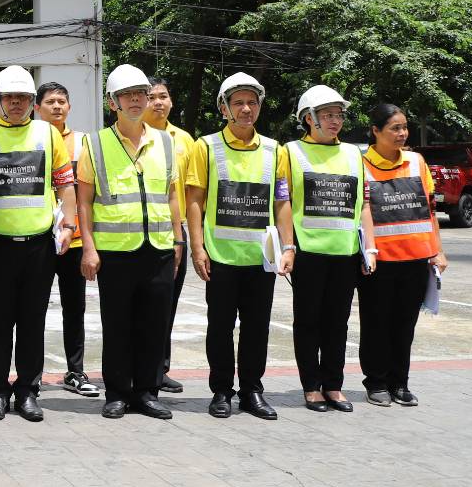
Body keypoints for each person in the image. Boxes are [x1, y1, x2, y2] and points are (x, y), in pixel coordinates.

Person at [0, 66, 77, 423]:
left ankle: (27, 391)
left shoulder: (48, 133)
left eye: (23, 98)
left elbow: (65, 184)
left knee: (32, 323)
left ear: (32, 102)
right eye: (9, 97)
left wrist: (70, 225)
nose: (16, 103)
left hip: (38, 248)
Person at [183, 73, 293, 420]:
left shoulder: (275, 150)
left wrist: (288, 247)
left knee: (257, 327)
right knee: (219, 326)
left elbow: (281, 202)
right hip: (221, 256)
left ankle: (251, 391)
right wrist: (197, 248)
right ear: (224, 108)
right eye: (238, 103)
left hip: (261, 257)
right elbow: (195, 200)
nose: (246, 109)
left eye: (252, 102)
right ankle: (221, 391)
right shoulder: (206, 147)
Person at [77, 65, 183, 420]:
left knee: (155, 324)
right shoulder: (95, 144)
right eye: (127, 95)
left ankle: (147, 393)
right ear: (113, 103)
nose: (136, 100)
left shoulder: (165, 142)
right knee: (118, 325)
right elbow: (84, 201)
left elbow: (171, 194)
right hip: (115, 251)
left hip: (159, 248)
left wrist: (178, 239)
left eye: (141, 94)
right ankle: (118, 393)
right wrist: (88, 248)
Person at [283, 84, 376, 412]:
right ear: (309, 118)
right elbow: (283, 203)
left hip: (345, 253)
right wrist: (287, 246)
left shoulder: (353, 154)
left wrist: (370, 249)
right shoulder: (291, 152)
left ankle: (334, 386)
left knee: (338, 323)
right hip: (308, 252)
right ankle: (311, 386)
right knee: (308, 321)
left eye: (339, 115)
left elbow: (363, 204)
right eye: (327, 115)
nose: (335, 121)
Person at [359, 102, 447, 407]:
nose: (402, 133)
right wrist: (368, 251)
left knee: (405, 324)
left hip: (415, 259)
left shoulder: (416, 161)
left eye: (405, 127)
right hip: (379, 261)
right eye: (395, 128)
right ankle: (376, 382)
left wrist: (437, 251)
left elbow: (430, 210)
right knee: (376, 323)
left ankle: (400, 382)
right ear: (375, 131)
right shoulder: (361, 164)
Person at [36, 82, 98, 397]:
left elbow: (89, 195)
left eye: (62, 101)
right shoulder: (30, 139)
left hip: (72, 242)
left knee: (74, 309)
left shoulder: (84, 143)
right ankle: (31, 374)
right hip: (38, 241)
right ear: (37, 108)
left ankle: (75, 371)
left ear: (70, 107)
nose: (57, 106)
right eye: (50, 102)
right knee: (32, 310)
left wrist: (88, 241)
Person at [145, 76, 196, 395]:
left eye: (163, 96)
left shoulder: (185, 140)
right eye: (151, 97)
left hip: (175, 232)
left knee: (167, 303)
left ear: (171, 101)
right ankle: (136, 368)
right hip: (139, 231)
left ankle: (159, 368)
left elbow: (192, 191)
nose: (158, 102)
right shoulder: (132, 137)